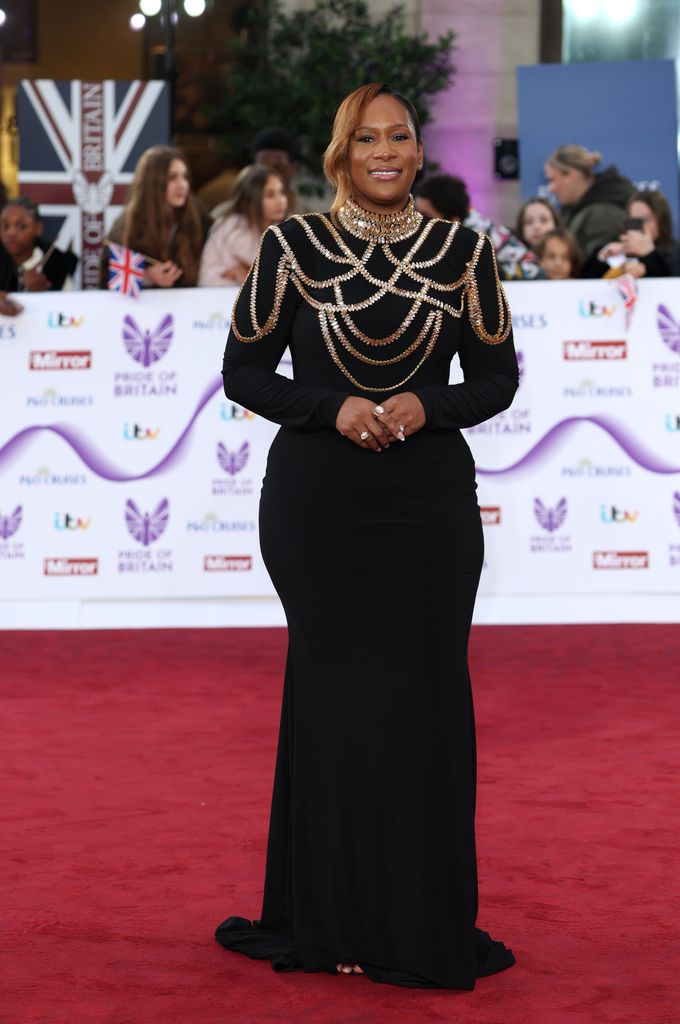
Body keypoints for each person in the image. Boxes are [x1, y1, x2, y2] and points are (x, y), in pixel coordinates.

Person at [213, 82, 518, 989]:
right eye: (366, 138)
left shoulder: (466, 252)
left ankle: (418, 923)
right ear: (339, 155)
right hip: (319, 507)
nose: (386, 150)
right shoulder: (291, 246)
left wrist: (426, 404)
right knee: (337, 703)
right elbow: (243, 372)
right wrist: (331, 407)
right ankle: (333, 921)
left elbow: (497, 380)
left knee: (424, 704)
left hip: (428, 507)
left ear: (420, 153)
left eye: (402, 136)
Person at [100, 146, 211, 289]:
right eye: (172, 177)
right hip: (142, 308)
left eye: (185, 177)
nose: (182, 185)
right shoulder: (127, 224)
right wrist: (146, 276)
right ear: (152, 182)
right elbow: (107, 279)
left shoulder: (199, 217)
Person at [414, 173, 540, 279]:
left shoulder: (479, 236)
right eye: (416, 212)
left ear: (453, 219)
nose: (418, 220)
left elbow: (533, 268)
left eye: (426, 215)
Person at [544, 144, 634, 269]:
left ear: (571, 175)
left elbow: (600, 268)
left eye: (552, 180)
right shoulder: (577, 210)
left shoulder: (603, 214)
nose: (550, 188)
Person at [198, 165, 287, 287]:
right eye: (270, 195)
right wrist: (237, 272)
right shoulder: (227, 230)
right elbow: (206, 279)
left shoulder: (285, 232)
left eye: (282, 192)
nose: (280, 201)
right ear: (251, 199)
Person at [595, 189, 680, 279]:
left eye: (646, 220)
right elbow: (587, 284)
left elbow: (671, 284)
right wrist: (602, 259)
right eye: (634, 221)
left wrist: (649, 254)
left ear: (661, 221)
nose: (641, 227)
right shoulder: (618, 249)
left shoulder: (675, 251)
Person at [0, 197, 78, 291]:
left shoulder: (57, 264)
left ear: (38, 228)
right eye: (5, 226)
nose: (11, 233)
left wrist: (44, 292)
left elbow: (68, 302)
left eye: (21, 226)